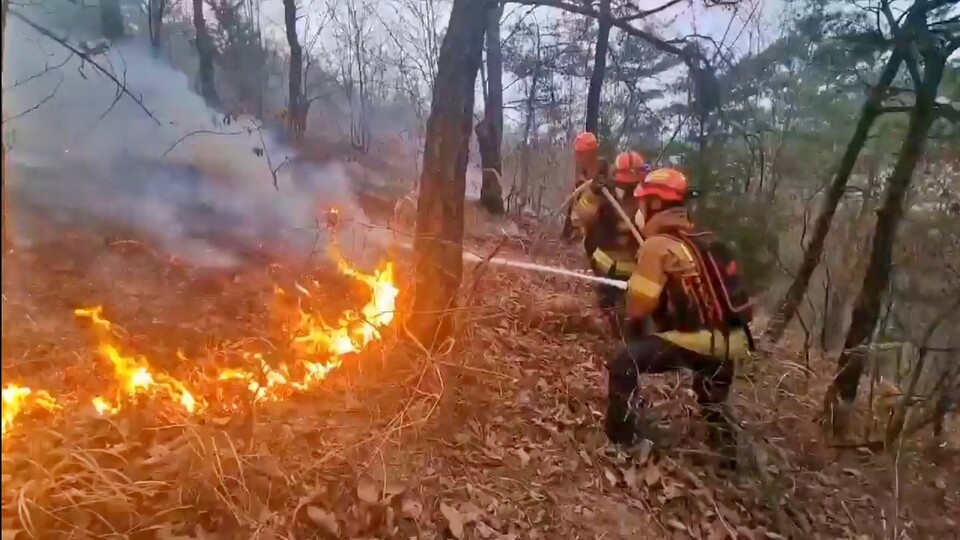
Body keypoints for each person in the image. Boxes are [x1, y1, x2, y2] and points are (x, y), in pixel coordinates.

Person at [605, 167, 754, 467]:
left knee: (624, 361)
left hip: (694, 341)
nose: (640, 210)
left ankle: (623, 442)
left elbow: (638, 309)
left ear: (656, 205)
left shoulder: (657, 245)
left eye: (644, 203)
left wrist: (636, 284)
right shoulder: (702, 241)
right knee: (712, 399)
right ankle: (728, 460)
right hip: (732, 343)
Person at [571, 150, 649, 341]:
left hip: (637, 269)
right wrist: (592, 195)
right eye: (627, 183)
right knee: (609, 310)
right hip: (606, 266)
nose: (632, 187)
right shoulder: (603, 192)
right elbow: (580, 217)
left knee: (637, 318)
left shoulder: (647, 197)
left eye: (635, 182)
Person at [561, 132, 602, 240]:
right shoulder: (580, 181)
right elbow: (574, 208)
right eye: (577, 153)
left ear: (592, 153)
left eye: (581, 153)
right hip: (587, 236)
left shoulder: (607, 175)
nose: (577, 157)